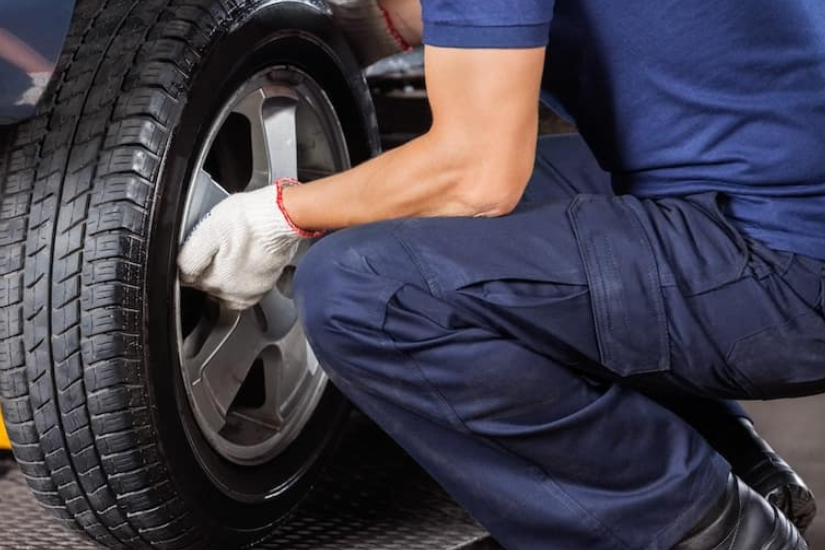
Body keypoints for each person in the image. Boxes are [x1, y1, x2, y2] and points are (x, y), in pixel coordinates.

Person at [177, 0, 825, 548]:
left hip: (788, 268)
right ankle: (738, 463)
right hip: (779, 199)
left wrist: (280, 213)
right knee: (423, 207)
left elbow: (476, 177)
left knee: (364, 289)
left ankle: (699, 529)